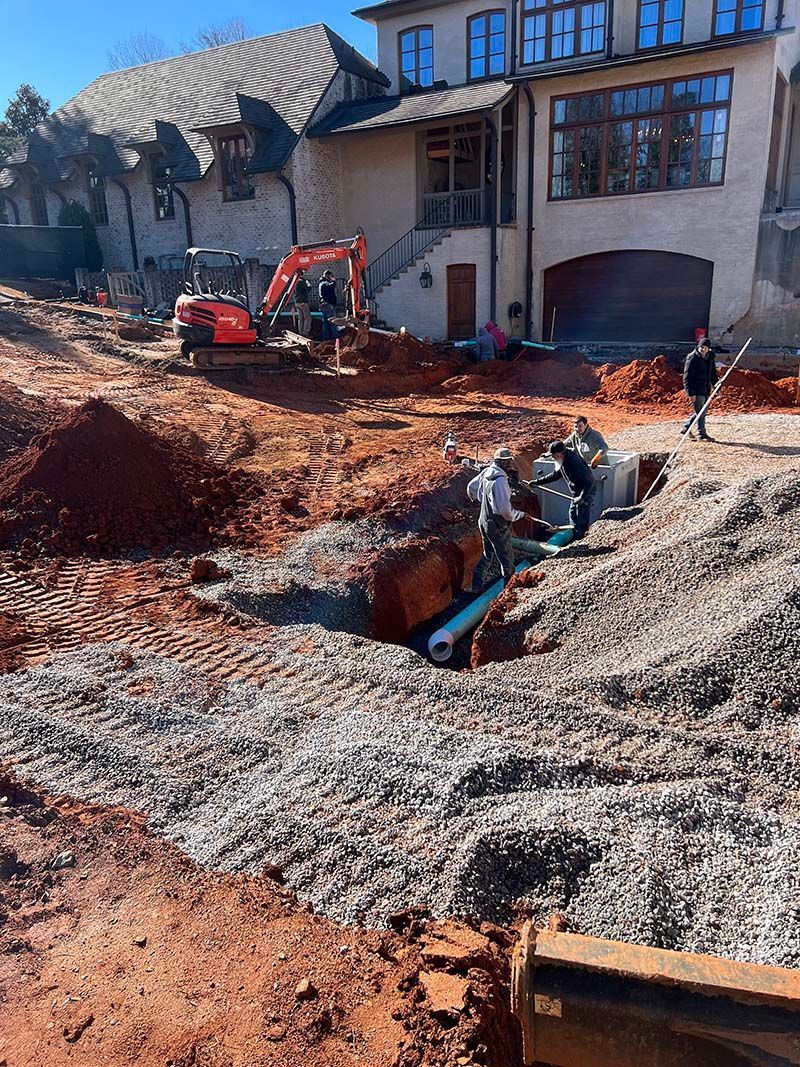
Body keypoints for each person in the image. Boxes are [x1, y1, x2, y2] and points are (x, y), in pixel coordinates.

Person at [467, 446, 525, 591]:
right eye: (508, 462)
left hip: (483, 520)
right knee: (507, 560)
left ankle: (476, 587)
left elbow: (471, 487)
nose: (510, 465)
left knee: (488, 554)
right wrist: (519, 514)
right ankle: (508, 592)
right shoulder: (500, 481)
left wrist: (480, 500)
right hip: (497, 525)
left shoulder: (487, 471)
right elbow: (505, 511)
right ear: (503, 463)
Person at [533, 440, 596, 540]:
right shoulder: (562, 460)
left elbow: (590, 481)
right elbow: (556, 475)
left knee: (580, 518)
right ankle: (575, 536)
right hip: (576, 492)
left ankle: (580, 539)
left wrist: (582, 497)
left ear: (558, 454)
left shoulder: (574, 461)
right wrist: (537, 482)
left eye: (552, 455)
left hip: (586, 491)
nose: (552, 457)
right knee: (573, 514)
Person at [682, 337, 718, 441]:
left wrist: (717, 386)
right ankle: (701, 434)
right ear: (698, 347)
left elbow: (713, 374)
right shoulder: (692, 358)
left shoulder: (710, 357)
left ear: (708, 349)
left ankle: (686, 427)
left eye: (705, 348)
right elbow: (687, 378)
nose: (703, 349)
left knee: (702, 411)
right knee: (701, 412)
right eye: (701, 347)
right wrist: (690, 393)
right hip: (696, 390)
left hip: (706, 388)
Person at [318, 269, 338, 341]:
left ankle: (326, 337)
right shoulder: (325, 283)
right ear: (327, 276)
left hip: (324, 305)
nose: (331, 277)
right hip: (328, 305)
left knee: (326, 323)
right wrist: (334, 280)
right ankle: (335, 337)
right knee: (333, 321)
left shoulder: (321, 283)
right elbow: (332, 286)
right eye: (330, 276)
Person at [293, 269, 312, 337]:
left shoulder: (294, 282)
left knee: (300, 318)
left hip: (297, 302)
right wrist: (308, 284)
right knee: (307, 318)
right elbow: (308, 289)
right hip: (303, 302)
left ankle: (300, 332)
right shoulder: (301, 281)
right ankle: (305, 333)